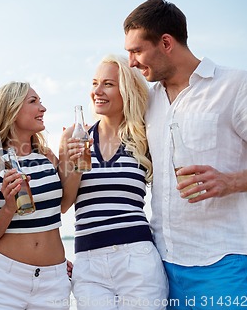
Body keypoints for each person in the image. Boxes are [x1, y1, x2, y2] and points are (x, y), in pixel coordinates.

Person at [124, 0, 247, 309]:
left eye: (137, 50)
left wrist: (231, 182)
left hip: (226, 263)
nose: (131, 61)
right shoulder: (147, 102)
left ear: (166, 43)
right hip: (162, 267)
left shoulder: (237, 86)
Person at [59, 54, 168, 309]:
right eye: (95, 83)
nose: (97, 91)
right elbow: (64, 204)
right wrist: (75, 165)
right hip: (88, 263)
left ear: (126, 91)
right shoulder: (73, 137)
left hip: (137, 258)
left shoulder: (145, 136)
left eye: (108, 84)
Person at [0, 82, 72, 309]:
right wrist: (8, 208)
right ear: (12, 110)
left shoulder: (47, 157)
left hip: (54, 280)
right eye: (33, 101)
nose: (43, 108)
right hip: (5, 281)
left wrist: (72, 160)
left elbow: (64, 205)